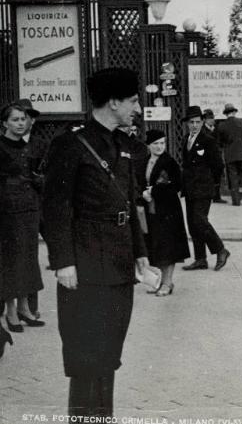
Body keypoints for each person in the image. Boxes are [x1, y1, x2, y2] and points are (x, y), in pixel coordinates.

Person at [43, 67, 149, 419]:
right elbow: (55, 208)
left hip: (118, 265)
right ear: (114, 102)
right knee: (85, 356)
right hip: (85, 267)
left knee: (108, 355)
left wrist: (141, 253)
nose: (138, 107)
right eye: (133, 100)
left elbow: (129, 204)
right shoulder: (70, 145)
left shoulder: (125, 145)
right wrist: (63, 262)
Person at [0, 103, 45, 333]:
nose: (20, 123)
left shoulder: (28, 147)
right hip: (7, 210)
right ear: (5, 123)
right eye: (15, 119)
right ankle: (10, 311)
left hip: (29, 208)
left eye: (23, 119)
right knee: (11, 260)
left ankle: (25, 307)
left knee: (29, 257)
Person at [181, 106, 230, 271]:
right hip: (189, 188)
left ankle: (220, 249)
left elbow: (218, 165)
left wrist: (212, 183)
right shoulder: (186, 139)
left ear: (202, 122)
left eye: (197, 122)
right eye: (191, 122)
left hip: (203, 187)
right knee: (192, 224)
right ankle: (200, 258)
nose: (195, 125)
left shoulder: (208, 140)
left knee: (199, 220)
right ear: (187, 124)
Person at [142, 129, 190, 295]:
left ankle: (167, 283)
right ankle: (161, 281)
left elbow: (177, 185)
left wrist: (153, 191)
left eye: (162, 143)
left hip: (168, 210)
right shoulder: (145, 161)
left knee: (168, 247)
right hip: (151, 210)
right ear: (149, 145)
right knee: (157, 246)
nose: (159, 146)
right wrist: (143, 193)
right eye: (155, 143)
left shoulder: (169, 162)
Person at [16, 98, 47, 319]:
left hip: (34, 204)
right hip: (11, 206)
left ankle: (30, 307)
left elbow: (49, 174)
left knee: (30, 254)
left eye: (28, 117)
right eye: (20, 117)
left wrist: (39, 180)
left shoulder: (40, 144)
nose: (25, 121)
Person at [217, 103, 242, 206]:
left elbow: (219, 142)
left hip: (230, 155)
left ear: (226, 114)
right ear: (234, 112)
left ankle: (236, 201)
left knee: (233, 178)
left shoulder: (221, 125)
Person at [203, 109, 226, 204]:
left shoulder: (216, 128)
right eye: (210, 118)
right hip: (207, 157)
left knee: (217, 177)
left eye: (213, 118)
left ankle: (217, 196)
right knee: (207, 177)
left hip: (217, 156)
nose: (212, 120)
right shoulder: (202, 130)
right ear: (205, 120)